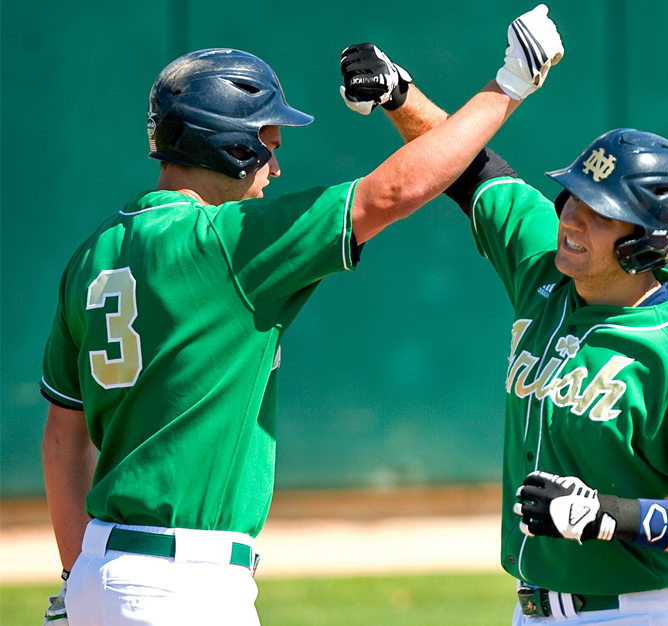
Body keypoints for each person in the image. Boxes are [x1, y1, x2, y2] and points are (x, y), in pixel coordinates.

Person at [39, 8, 564, 626]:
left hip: (98, 574)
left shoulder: (94, 254)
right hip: (180, 586)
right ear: (229, 143)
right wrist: (509, 86)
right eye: (267, 143)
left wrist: (75, 580)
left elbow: (63, 438)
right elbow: (392, 192)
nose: (275, 166)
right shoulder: (224, 243)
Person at [339, 24, 668, 626]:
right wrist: (399, 94)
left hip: (632, 615)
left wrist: (609, 515)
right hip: (531, 610)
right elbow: (470, 170)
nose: (571, 217)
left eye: (601, 213)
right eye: (573, 196)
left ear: (646, 242)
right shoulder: (547, 266)